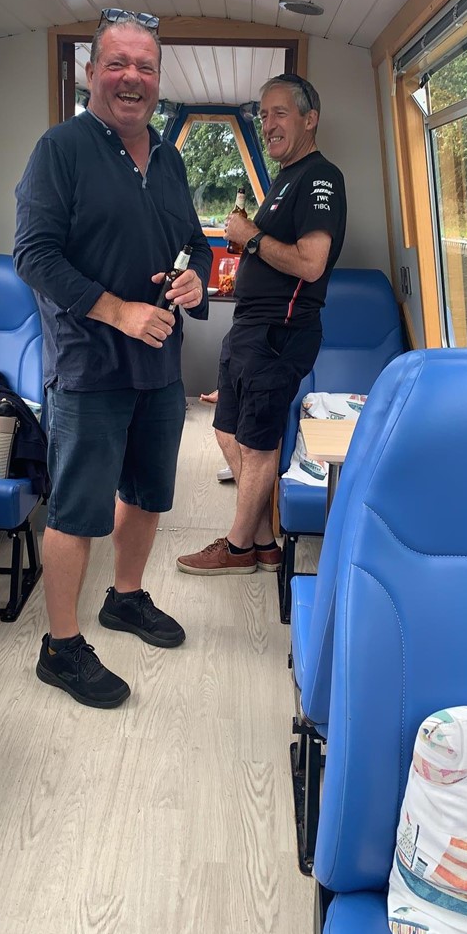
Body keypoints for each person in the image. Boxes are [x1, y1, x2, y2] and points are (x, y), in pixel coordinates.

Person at [14, 8, 212, 708]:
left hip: (159, 363)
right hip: (90, 365)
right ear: (91, 73)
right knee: (77, 508)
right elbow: (33, 255)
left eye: (146, 66)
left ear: (158, 79)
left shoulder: (171, 156)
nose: (133, 77)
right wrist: (117, 310)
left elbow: (196, 241)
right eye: (118, 63)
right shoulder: (59, 150)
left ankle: (124, 599)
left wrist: (194, 278)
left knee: (148, 494)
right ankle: (60, 647)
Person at [177, 73, 346, 576]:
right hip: (249, 331)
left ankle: (236, 548)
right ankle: (265, 540)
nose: (268, 124)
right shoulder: (285, 178)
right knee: (229, 430)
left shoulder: (320, 177)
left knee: (258, 442)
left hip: (279, 333)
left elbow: (312, 264)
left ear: (309, 119)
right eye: (263, 114)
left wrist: (250, 237)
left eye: (280, 113)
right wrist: (251, 243)